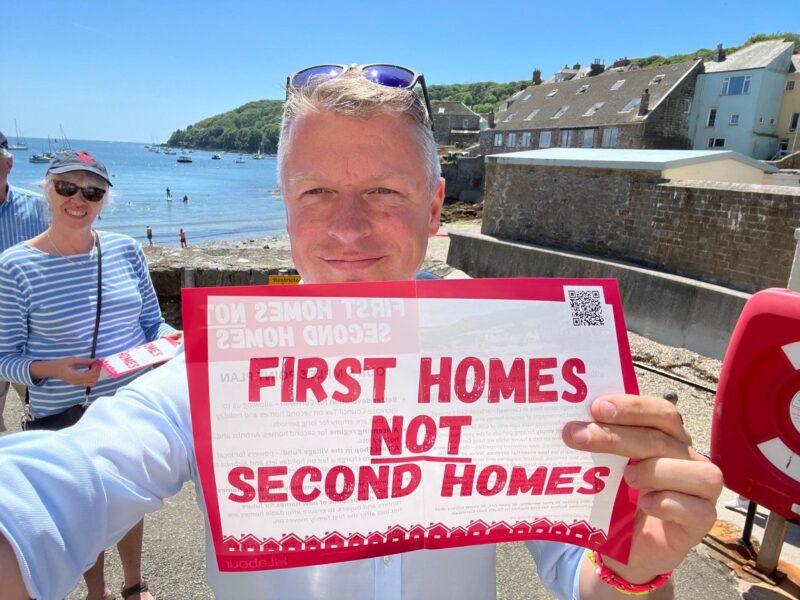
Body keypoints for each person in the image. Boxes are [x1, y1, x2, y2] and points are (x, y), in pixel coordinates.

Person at [0, 66, 722, 600]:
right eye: (317, 192)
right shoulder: (210, 378)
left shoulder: (521, 362)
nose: (348, 228)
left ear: (435, 205)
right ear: (284, 206)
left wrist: (636, 567)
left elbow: (585, 574)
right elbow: (77, 476)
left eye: (384, 190)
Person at [0, 151, 181, 600]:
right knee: (80, 511)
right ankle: (95, 591)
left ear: (104, 199)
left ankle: (134, 584)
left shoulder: (124, 248)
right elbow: (5, 356)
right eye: (67, 187)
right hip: (61, 410)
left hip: (127, 404)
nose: (79, 199)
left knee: (128, 499)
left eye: (92, 191)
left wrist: (173, 337)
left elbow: (150, 324)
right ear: (47, 189)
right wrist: (50, 370)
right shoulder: (14, 266)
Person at [0, 131, 49, 433]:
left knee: (42, 421)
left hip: (31, 340)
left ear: (9, 164)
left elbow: (65, 260)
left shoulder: (39, 209)